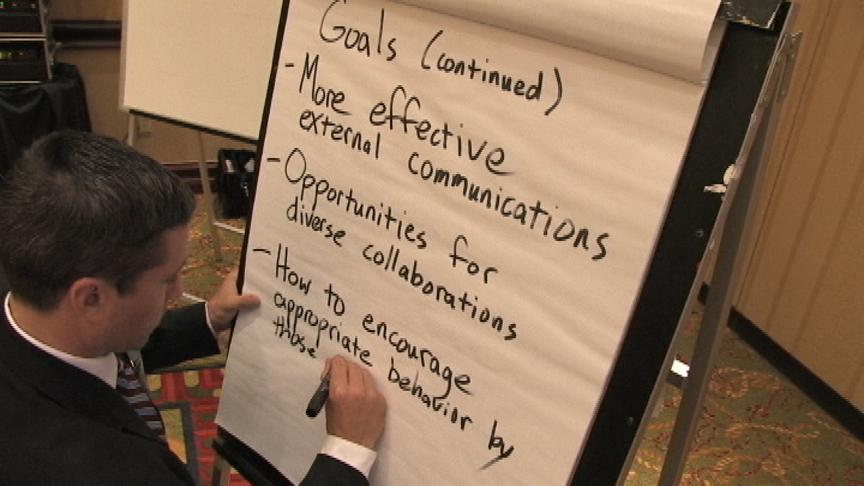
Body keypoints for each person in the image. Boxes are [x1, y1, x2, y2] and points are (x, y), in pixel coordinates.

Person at [0, 130, 386, 485]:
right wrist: (347, 452)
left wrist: (209, 318)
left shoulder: (39, 303)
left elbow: (106, 339)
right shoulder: (108, 470)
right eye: (168, 279)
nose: (181, 290)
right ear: (92, 298)